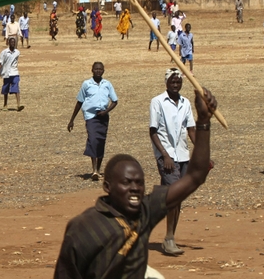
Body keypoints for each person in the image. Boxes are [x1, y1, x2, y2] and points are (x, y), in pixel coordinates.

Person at [55, 87, 218, 278]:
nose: (135, 188)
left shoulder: (144, 212)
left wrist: (204, 121)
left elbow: (195, 176)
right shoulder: (84, 228)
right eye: (127, 182)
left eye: (140, 183)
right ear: (107, 187)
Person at [147, 68, 196, 255]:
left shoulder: (185, 103)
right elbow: (153, 131)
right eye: (172, 82)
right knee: (173, 198)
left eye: (178, 82)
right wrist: (165, 155)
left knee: (178, 199)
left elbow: (191, 130)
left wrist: (201, 152)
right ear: (166, 83)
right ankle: (168, 239)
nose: (176, 85)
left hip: (183, 155)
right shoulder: (157, 102)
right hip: (166, 157)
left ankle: (170, 236)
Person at [67, 62, 118, 181]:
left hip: (103, 117)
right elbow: (79, 102)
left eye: (100, 69)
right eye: (96, 69)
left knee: (101, 141)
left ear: (103, 71)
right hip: (91, 116)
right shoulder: (86, 84)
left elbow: (115, 101)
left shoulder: (107, 84)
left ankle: (98, 170)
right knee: (93, 139)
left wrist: (106, 112)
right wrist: (72, 120)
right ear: (92, 70)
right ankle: (94, 170)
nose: (98, 71)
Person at [0, 37, 23, 111]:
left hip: (15, 72)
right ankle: (5, 104)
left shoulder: (17, 52)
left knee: (16, 88)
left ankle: (18, 105)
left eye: (14, 42)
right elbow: (1, 63)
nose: (13, 44)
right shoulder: (4, 52)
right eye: (11, 42)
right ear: (8, 43)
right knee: (6, 89)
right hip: (6, 73)